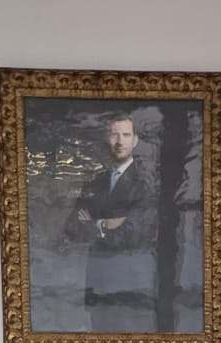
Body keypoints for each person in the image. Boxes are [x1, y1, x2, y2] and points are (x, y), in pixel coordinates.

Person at [65, 114, 156, 331]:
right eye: (114, 134)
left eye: (126, 135)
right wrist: (106, 224)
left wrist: (94, 223)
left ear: (135, 140)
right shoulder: (95, 182)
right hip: (99, 282)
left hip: (132, 285)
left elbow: (134, 234)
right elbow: (71, 227)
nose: (119, 141)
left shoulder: (146, 182)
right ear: (107, 138)